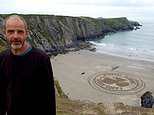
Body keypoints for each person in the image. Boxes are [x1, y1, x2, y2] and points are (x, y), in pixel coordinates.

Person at [0, 15, 56, 115]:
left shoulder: (41, 58)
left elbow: (49, 98)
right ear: (4, 34)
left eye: (20, 31)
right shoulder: (2, 58)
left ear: (26, 34)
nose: (15, 36)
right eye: (11, 32)